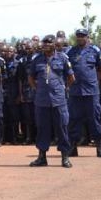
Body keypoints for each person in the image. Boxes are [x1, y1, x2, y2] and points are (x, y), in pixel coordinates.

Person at [27, 35, 75, 168]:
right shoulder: (37, 59)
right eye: (44, 42)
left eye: (49, 42)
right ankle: (42, 157)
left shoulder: (63, 58)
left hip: (59, 100)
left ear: (54, 44)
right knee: (43, 129)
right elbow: (30, 77)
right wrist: (37, 88)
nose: (46, 44)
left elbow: (71, 77)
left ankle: (65, 157)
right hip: (42, 101)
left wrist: (64, 88)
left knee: (62, 128)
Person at [65, 28, 101, 158]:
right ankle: (73, 147)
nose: (80, 38)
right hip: (75, 91)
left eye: (83, 36)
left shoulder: (95, 51)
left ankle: (99, 147)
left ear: (88, 37)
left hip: (91, 91)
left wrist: (94, 83)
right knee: (74, 120)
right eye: (78, 36)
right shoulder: (70, 51)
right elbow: (67, 71)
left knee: (94, 119)